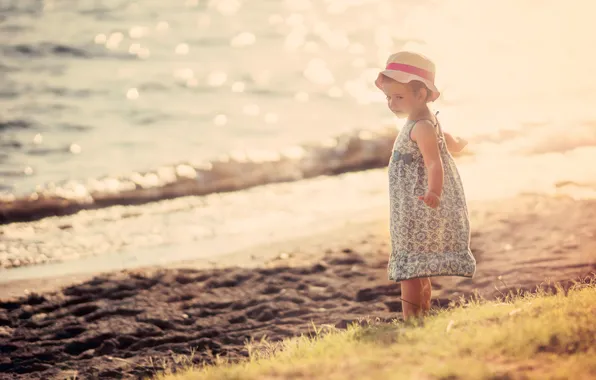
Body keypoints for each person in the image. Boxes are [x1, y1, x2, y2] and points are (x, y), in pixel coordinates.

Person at [375, 51, 476, 320]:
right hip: (412, 202)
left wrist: (433, 191)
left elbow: (434, 162)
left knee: (409, 264)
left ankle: (411, 318)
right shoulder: (426, 121)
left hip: (414, 204)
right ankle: (423, 313)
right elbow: (444, 138)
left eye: (398, 97)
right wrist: (456, 143)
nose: (391, 103)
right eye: (388, 97)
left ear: (421, 95)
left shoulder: (420, 127)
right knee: (418, 265)